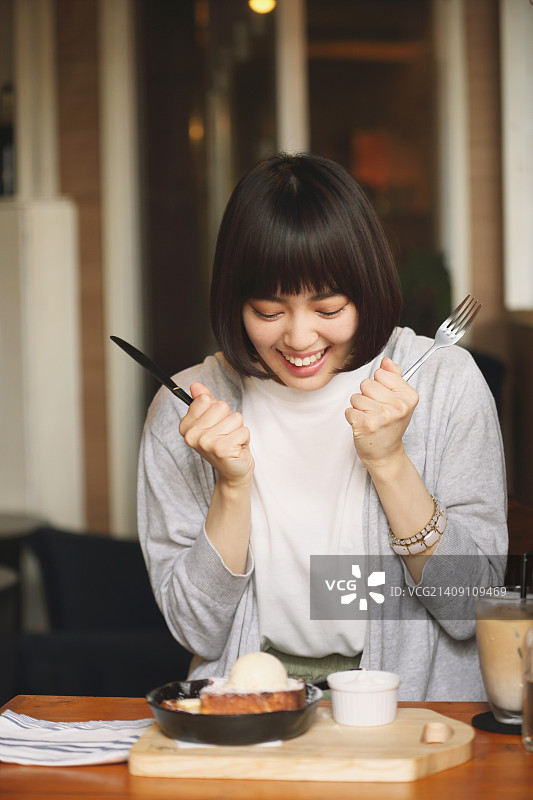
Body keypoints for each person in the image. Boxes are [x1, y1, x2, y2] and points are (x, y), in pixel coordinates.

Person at [137, 152, 507, 701]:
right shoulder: (188, 410)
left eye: (329, 309)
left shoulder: (445, 382)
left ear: (367, 289)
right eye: (267, 312)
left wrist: (389, 462)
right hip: (249, 706)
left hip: (417, 708)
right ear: (234, 302)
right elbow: (196, 631)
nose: (300, 338)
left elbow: (468, 606)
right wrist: (231, 489)